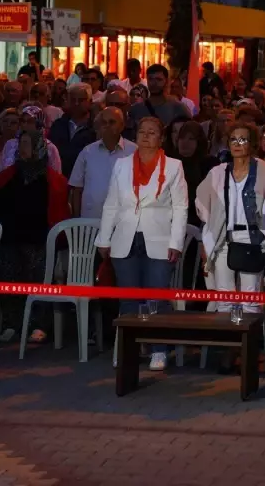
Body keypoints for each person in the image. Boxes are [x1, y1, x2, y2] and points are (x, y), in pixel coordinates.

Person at [95, 115, 189, 372]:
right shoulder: (122, 165)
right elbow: (112, 203)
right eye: (142, 131)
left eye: (152, 132)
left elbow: (181, 207)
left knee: (156, 297)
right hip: (125, 238)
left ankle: (159, 349)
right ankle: (128, 348)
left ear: (161, 138)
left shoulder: (174, 166)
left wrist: (176, 242)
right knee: (128, 299)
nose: (146, 136)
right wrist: (104, 238)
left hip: (159, 239)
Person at [196, 121, 265, 371]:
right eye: (233, 139)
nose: (238, 144)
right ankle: (230, 349)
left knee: (250, 299)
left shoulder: (264, 171)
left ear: (253, 144)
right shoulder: (218, 172)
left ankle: (248, 351)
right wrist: (212, 222)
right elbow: (202, 202)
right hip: (223, 240)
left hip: (252, 239)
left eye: (243, 139)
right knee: (225, 298)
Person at [0, 128, 71, 343]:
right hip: (10, 238)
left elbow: (59, 214)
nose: (22, 148)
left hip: (40, 239)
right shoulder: (8, 177)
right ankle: (11, 323)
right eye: (21, 143)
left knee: (38, 273)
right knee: (6, 272)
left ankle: (38, 324)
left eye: (27, 143)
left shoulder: (52, 181)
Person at [68, 107, 136, 219]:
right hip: (90, 222)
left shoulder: (134, 151)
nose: (107, 126)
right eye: (104, 122)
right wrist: (77, 221)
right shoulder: (88, 152)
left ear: (122, 126)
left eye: (112, 122)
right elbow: (76, 189)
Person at [50, 83, 98, 177]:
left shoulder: (95, 127)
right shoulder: (58, 125)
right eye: (73, 100)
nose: (76, 103)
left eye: (81, 100)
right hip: (60, 176)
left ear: (90, 102)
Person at [129, 64, 191, 130]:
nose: (154, 83)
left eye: (159, 79)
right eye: (150, 79)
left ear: (166, 81)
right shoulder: (136, 110)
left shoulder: (178, 108)